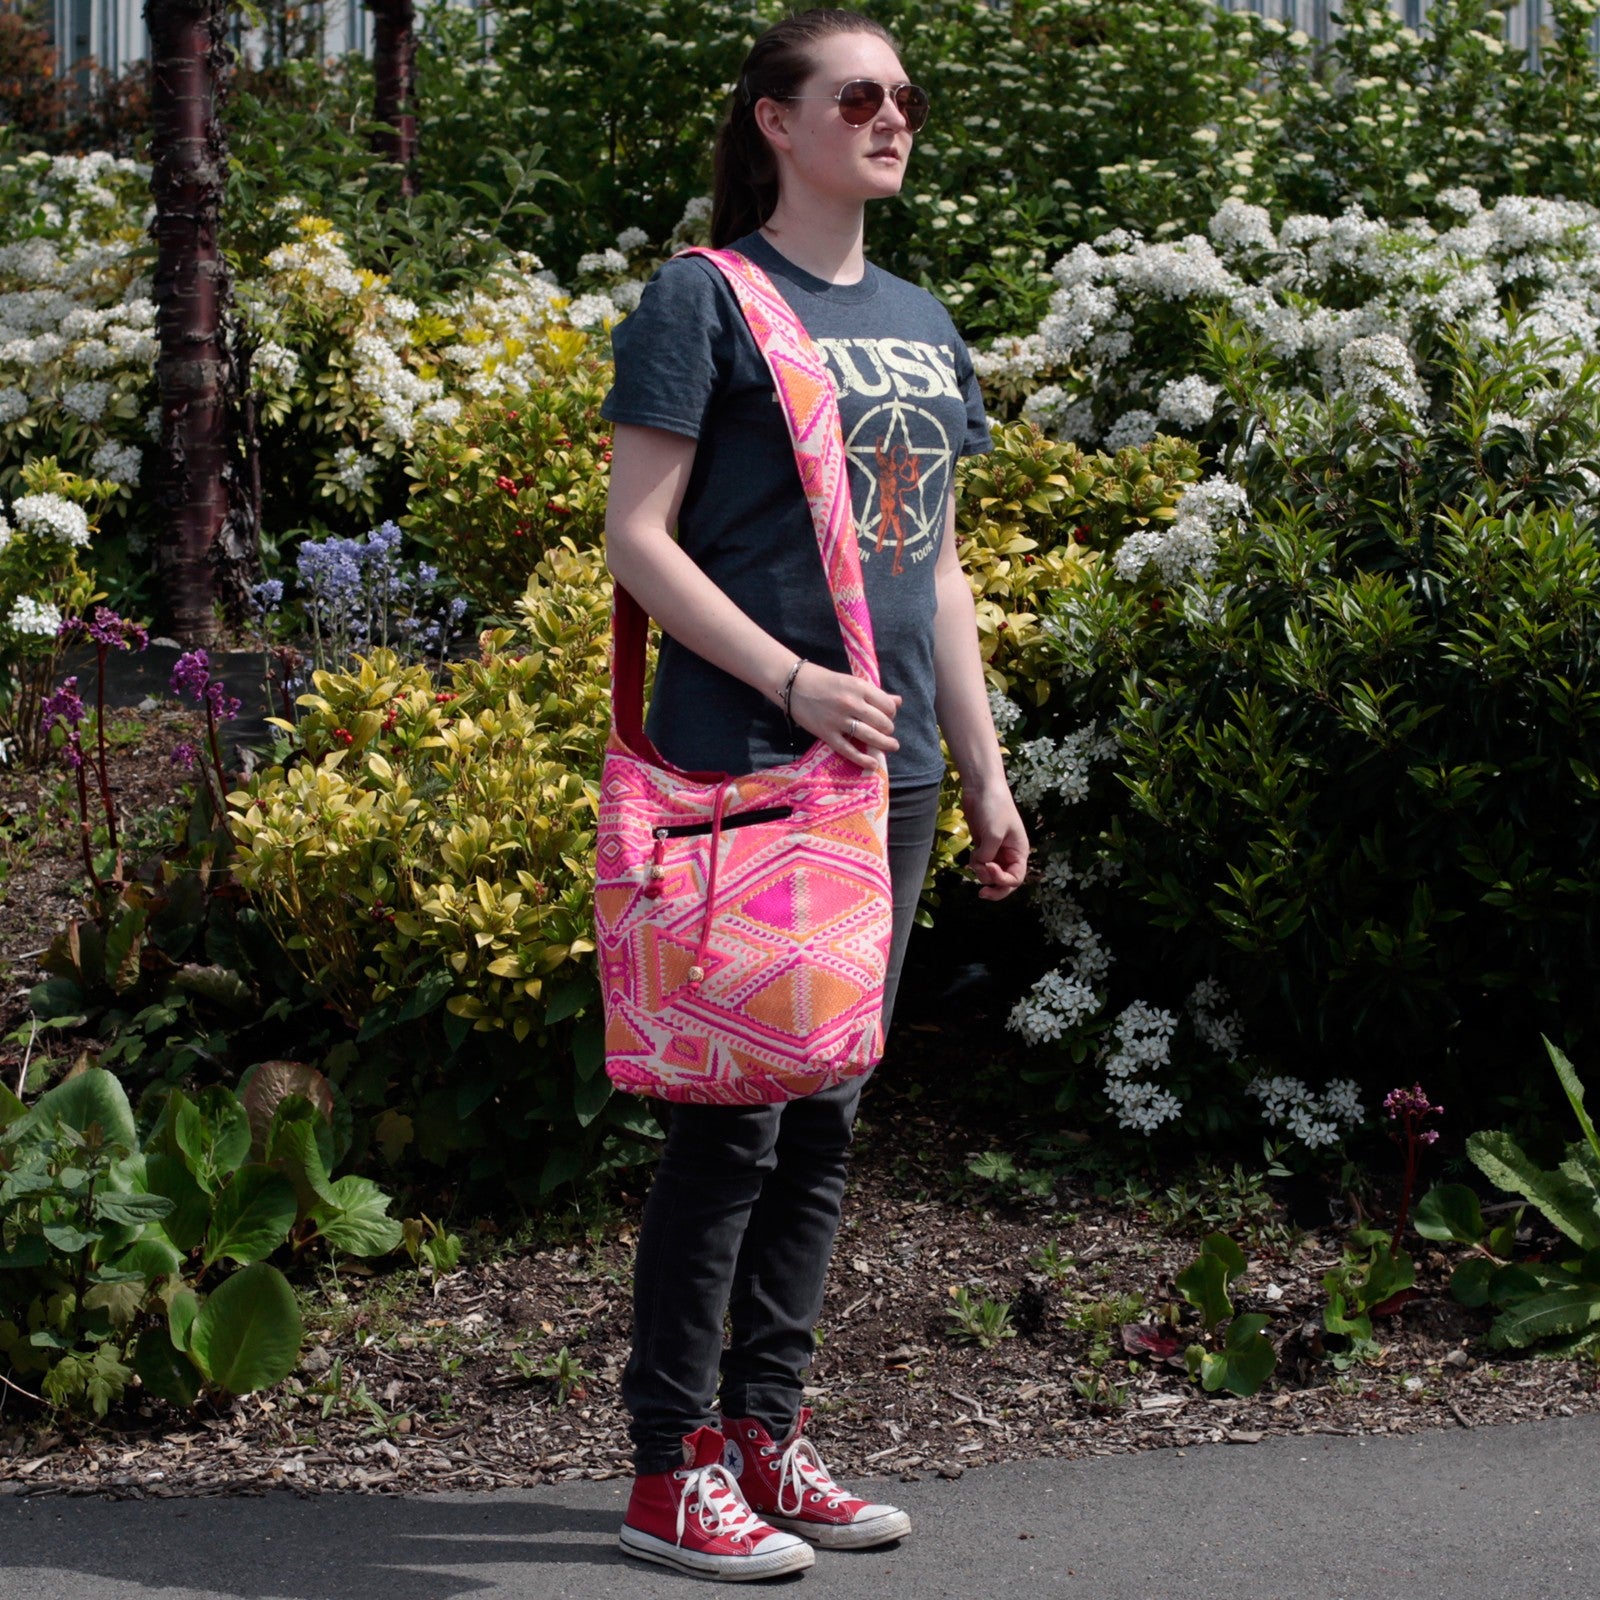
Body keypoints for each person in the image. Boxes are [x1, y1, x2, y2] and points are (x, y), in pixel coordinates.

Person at [600, 7, 1029, 1581]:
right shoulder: (704, 300)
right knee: (733, 1125)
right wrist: (786, 681)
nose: (891, 117)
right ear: (777, 121)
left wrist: (983, 768)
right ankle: (669, 1468)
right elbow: (637, 538)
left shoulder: (921, 317)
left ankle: (765, 1435)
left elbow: (940, 566)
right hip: (756, 757)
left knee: (829, 1116)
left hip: (894, 771)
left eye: (905, 96)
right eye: (859, 95)